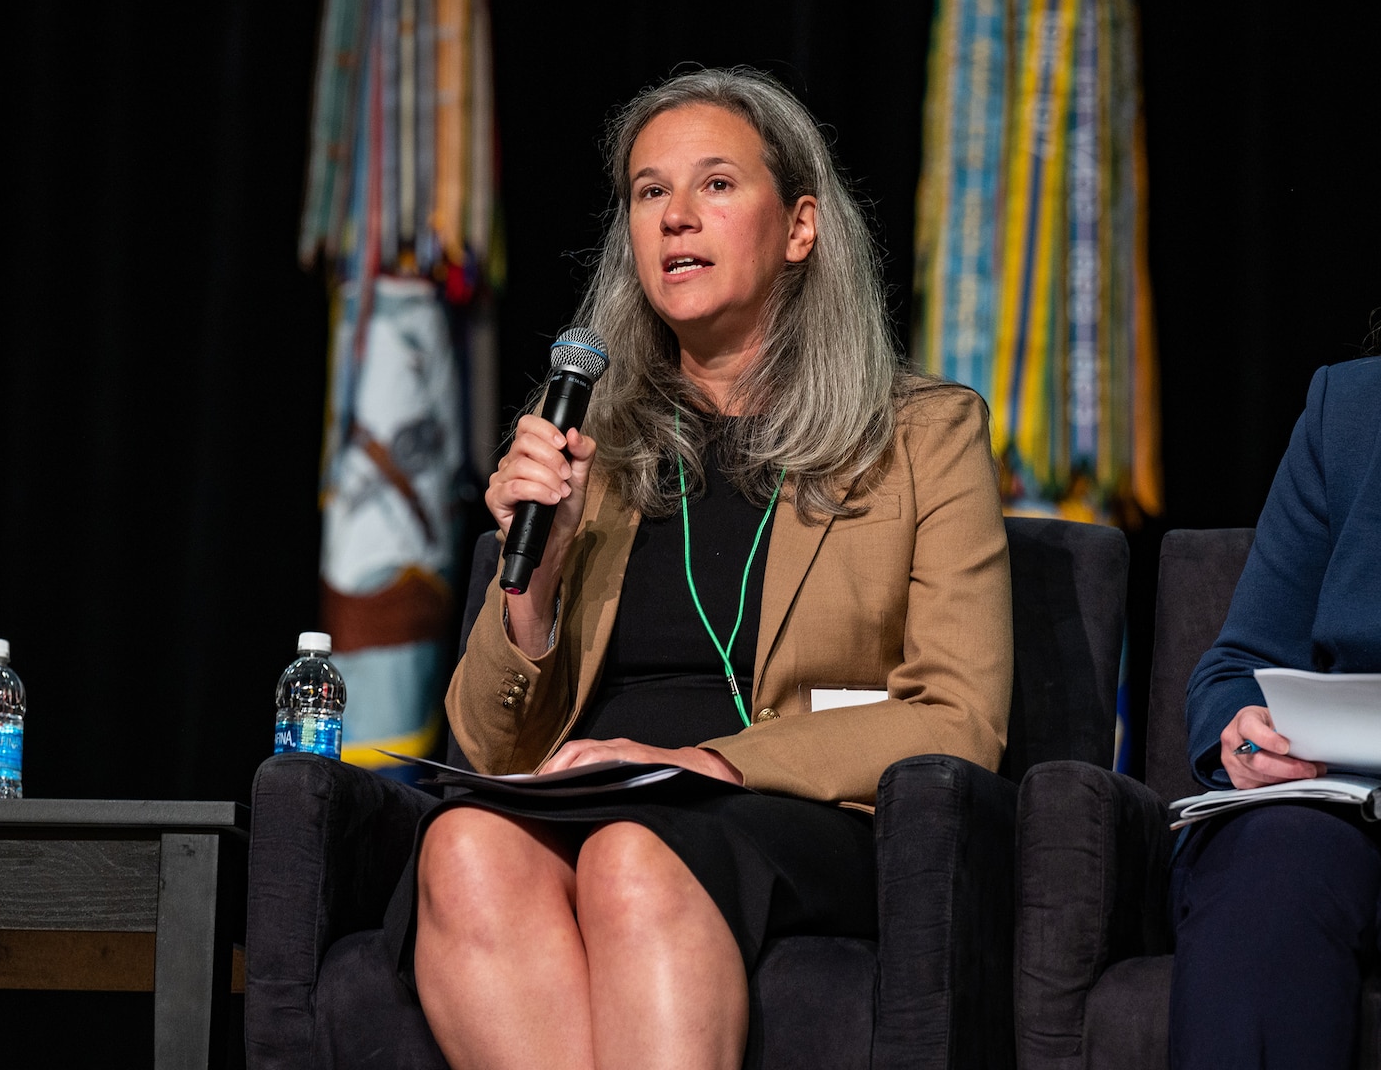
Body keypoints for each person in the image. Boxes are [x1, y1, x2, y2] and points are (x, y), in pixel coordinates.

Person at [392, 66, 1012, 1070]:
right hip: (591, 797)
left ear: (801, 226)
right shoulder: (592, 447)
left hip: (790, 811)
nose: (676, 217)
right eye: (649, 192)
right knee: (463, 846)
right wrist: (533, 586)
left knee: (634, 856)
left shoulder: (922, 436)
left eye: (716, 185)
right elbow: (489, 745)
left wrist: (710, 763)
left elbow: (959, 716)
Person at [1173, 353, 1381, 1069]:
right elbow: (1234, 669)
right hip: (1349, 808)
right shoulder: (1352, 407)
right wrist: (1242, 734)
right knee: (1273, 868)